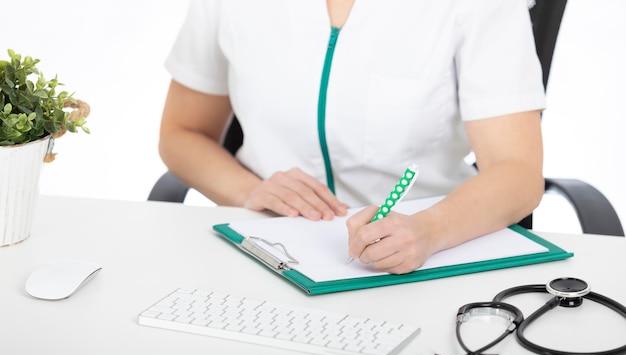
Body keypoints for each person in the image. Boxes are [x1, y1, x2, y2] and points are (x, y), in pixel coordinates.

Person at [159, 0, 545, 275]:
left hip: (426, 257)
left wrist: (430, 230)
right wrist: (247, 191)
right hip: (267, 250)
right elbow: (182, 132)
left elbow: (517, 172)